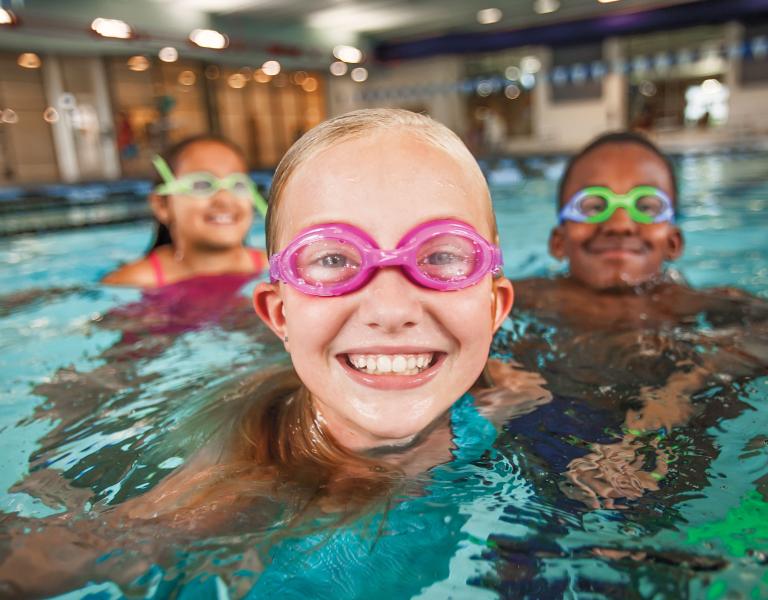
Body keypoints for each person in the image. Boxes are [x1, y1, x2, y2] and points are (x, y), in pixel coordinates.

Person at [0, 109, 551, 597]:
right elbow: (64, 557)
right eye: (333, 260)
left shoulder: (506, 392)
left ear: (495, 306)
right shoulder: (242, 482)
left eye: (443, 256)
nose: (390, 309)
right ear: (279, 314)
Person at [505, 131, 768, 509]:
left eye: (647, 205)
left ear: (673, 241)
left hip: (677, 424)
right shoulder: (523, 296)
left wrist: (687, 382)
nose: (621, 224)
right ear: (558, 241)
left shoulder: (694, 304)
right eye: (594, 206)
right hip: (548, 417)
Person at [102, 134, 268, 288]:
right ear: (162, 205)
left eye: (238, 185)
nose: (225, 198)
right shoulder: (135, 280)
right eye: (201, 185)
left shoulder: (275, 267)